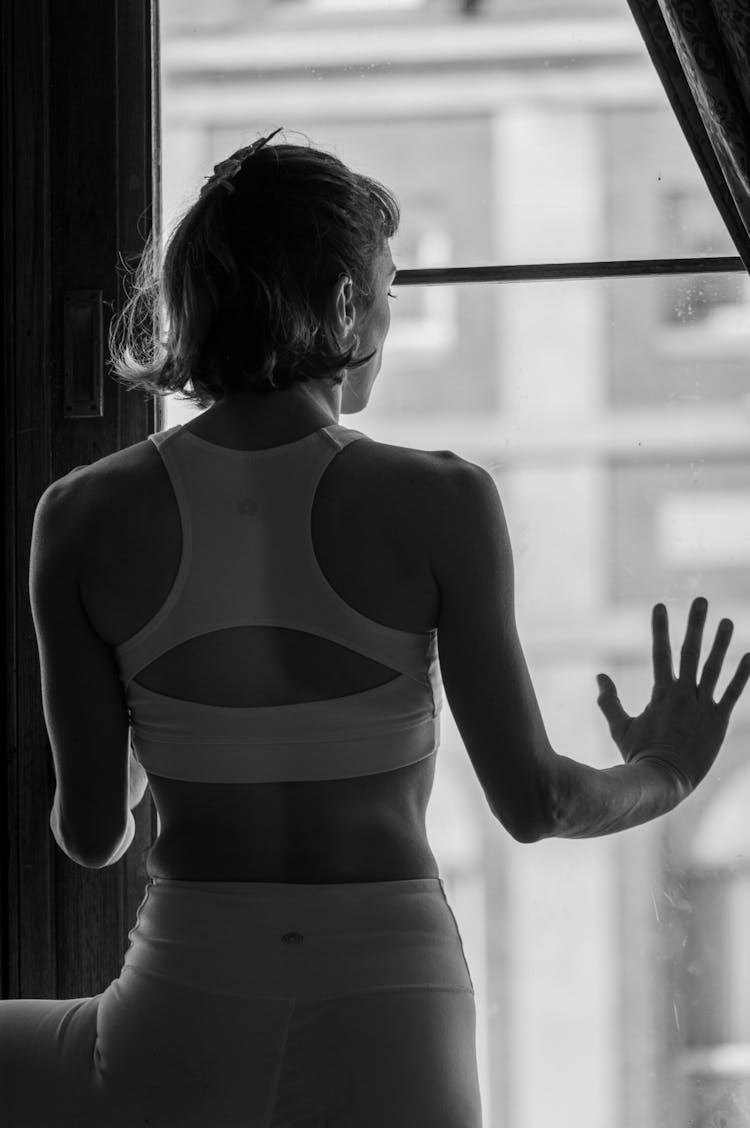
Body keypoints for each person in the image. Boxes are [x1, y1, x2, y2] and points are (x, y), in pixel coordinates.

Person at [1, 130, 748, 1127]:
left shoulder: (81, 513)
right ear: (346, 306)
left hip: (181, 1014)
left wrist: (170, 723)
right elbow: (536, 803)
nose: (391, 321)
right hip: (395, 1014)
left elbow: (92, 836)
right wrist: (670, 768)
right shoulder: (439, 500)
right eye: (390, 291)